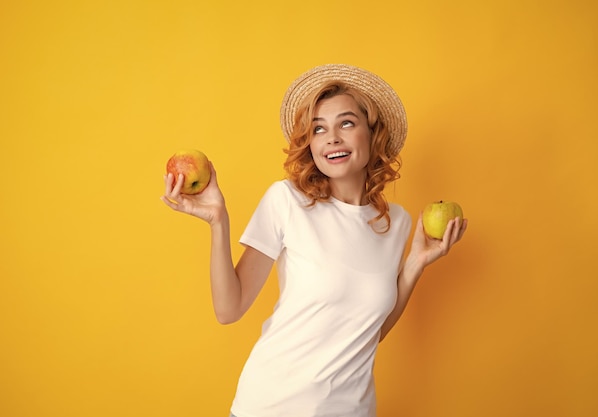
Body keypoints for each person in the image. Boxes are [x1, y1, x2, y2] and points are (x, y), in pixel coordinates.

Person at [161, 64, 468, 417]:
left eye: (346, 123)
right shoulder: (287, 200)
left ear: (373, 133)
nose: (332, 137)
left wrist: (415, 264)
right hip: (270, 407)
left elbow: (365, 332)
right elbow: (228, 310)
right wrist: (219, 221)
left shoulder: (395, 222)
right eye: (319, 129)